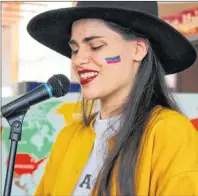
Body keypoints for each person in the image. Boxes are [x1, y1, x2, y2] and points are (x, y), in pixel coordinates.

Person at [27, 2, 198, 196]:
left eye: (95, 46)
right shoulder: (69, 138)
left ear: (138, 50)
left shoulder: (170, 133)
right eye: (75, 49)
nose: (78, 60)